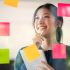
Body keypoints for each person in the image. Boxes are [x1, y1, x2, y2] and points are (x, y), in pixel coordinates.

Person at [14, 3, 70, 70]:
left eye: (46, 16)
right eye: (37, 18)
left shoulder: (68, 51)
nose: (40, 22)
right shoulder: (23, 52)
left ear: (58, 23)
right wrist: (33, 48)